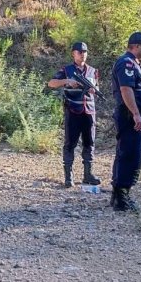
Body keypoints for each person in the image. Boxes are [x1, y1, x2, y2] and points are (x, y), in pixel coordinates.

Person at [110, 31, 141, 212]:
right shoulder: (127, 63)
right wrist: (136, 114)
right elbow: (126, 89)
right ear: (136, 46)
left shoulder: (132, 63)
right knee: (131, 155)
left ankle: (118, 195)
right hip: (129, 115)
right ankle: (123, 197)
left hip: (130, 114)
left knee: (125, 153)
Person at [47, 42, 102, 188]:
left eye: (84, 51)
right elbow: (51, 83)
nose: (82, 54)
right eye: (79, 51)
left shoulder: (92, 71)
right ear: (73, 53)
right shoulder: (66, 70)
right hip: (73, 110)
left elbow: (97, 87)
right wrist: (67, 81)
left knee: (89, 143)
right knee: (70, 144)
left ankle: (88, 175)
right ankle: (68, 176)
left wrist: (93, 90)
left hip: (89, 111)